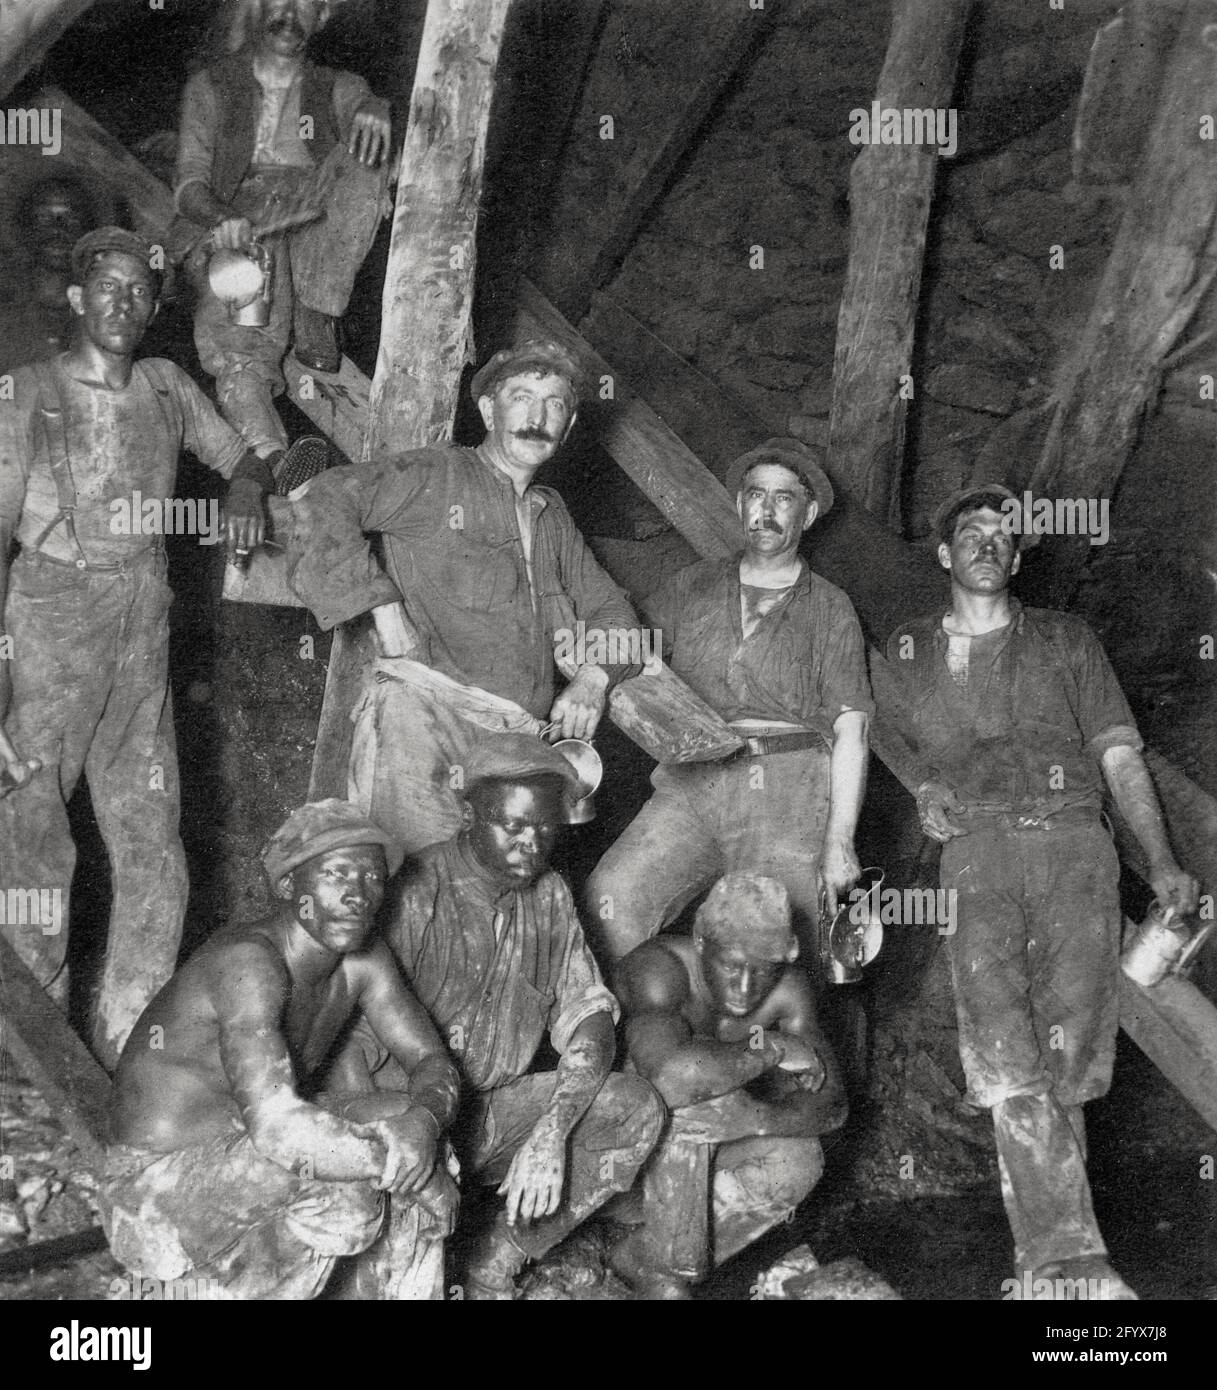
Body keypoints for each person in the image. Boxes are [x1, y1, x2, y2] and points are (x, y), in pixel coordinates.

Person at [881, 483, 1200, 1299]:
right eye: (970, 533)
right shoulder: (910, 650)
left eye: (1002, 534)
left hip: (1073, 850)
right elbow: (871, 726)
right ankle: (1067, 1265)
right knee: (1004, 1058)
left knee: (1070, 1063)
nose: (987, 543)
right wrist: (920, 785)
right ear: (944, 555)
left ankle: (1051, 1265)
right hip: (979, 856)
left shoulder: (1065, 640)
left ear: (1017, 556)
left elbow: (1120, 756)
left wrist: (1159, 860)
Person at [0, 226, 271, 1067]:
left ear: (155, 308)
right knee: (34, 839)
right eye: (106, 285)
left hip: (141, 623)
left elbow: (247, 454)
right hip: (49, 616)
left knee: (154, 839)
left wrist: (246, 493)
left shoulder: (165, 385)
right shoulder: (28, 392)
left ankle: (128, 1047)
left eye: (138, 290)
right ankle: (32, 1057)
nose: (123, 301)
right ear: (76, 297)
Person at [288, 340, 645, 857]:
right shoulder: (438, 474)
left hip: (515, 746)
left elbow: (614, 612)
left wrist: (593, 679)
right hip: (428, 725)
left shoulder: (551, 516)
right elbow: (320, 499)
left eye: (555, 405)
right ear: (487, 410)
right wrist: (382, 607)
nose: (536, 416)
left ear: (567, 428)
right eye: (521, 396)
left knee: (493, 909)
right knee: (419, 891)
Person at [346, 735, 664, 1300]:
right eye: (511, 826)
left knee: (634, 1108)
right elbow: (347, 1057)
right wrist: (413, 1132)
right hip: (406, 1117)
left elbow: (589, 1015)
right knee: (395, 1276)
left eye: (544, 829)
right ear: (468, 813)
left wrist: (552, 1129)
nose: (529, 846)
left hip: (490, 1114)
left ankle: (496, 1258)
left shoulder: (551, 896)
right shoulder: (413, 894)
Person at [104, 800, 461, 1300]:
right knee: (350, 1185)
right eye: (336, 873)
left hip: (245, 1158)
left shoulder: (364, 961)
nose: (358, 894)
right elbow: (278, 1128)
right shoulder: (249, 964)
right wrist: (415, 1174)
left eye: (373, 878)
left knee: (411, 1127)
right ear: (291, 887)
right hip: (154, 1191)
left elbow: (432, 1063)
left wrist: (422, 1125)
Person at [585, 437, 872, 962]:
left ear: (807, 515)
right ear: (740, 505)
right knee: (612, 898)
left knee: (766, 946)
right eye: (756, 495)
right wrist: (590, 678)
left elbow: (852, 728)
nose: (766, 509)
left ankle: (764, 1042)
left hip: (788, 792)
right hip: (692, 780)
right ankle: (641, 1033)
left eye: (784, 498)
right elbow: (632, 644)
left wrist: (840, 839)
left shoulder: (831, 608)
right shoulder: (691, 585)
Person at [173, 0, 391, 462]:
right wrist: (222, 220)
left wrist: (376, 108)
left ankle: (318, 310)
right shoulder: (211, 85)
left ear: (324, 16)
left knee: (370, 153)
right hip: (243, 227)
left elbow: (365, 137)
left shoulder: (340, 86)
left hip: (314, 223)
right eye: (278, 1)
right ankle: (276, 459)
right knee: (242, 352)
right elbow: (189, 184)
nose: (290, 13)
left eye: (306, 5)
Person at [609, 874, 846, 1299]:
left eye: (762, 972)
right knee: (699, 1102)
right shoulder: (659, 969)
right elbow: (671, 1077)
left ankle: (646, 1256)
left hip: (696, 1159)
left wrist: (755, 1118)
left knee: (799, 1158)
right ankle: (668, 1268)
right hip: (615, 1160)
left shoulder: (788, 990)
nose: (744, 988)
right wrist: (772, 1048)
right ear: (701, 940)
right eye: (730, 966)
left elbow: (832, 1105)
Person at [0, 175, 98, 372]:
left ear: (89, 229)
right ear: (24, 226)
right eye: (44, 217)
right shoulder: (6, 310)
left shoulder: (104, 312)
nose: (58, 230)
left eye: (72, 218)